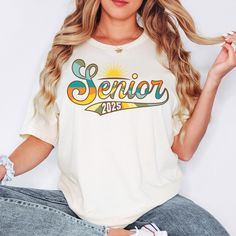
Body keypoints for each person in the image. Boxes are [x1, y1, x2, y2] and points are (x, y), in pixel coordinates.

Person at [0, 0, 235, 235]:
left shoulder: (167, 53)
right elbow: (42, 138)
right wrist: (3, 168)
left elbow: (184, 149)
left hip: (158, 206)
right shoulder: (64, 52)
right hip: (77, 209)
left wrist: (215, 77)